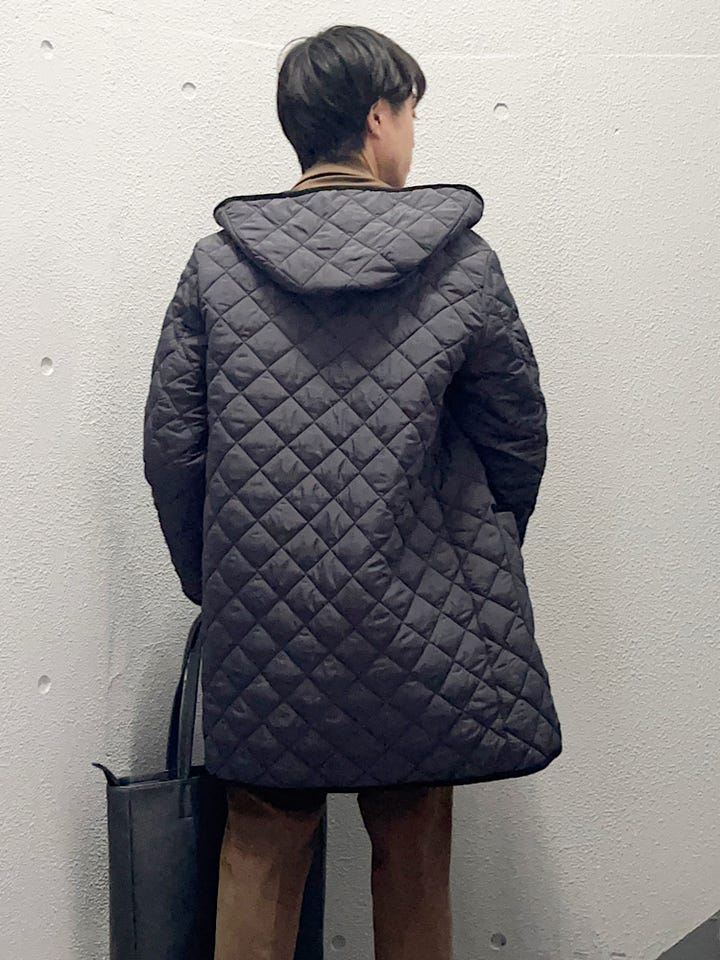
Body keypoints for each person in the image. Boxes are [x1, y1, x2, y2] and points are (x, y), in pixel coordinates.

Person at [143, 23, 562, 960]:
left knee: (259, 845)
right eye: (410, 112)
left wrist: (219, 581)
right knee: (412, 843)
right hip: (423, 620)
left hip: (267, 616)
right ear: (377, 119)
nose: (411, 133)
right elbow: (516, 438)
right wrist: (469, 560)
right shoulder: (462, 263)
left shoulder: (217, 268)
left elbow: (173, 454)